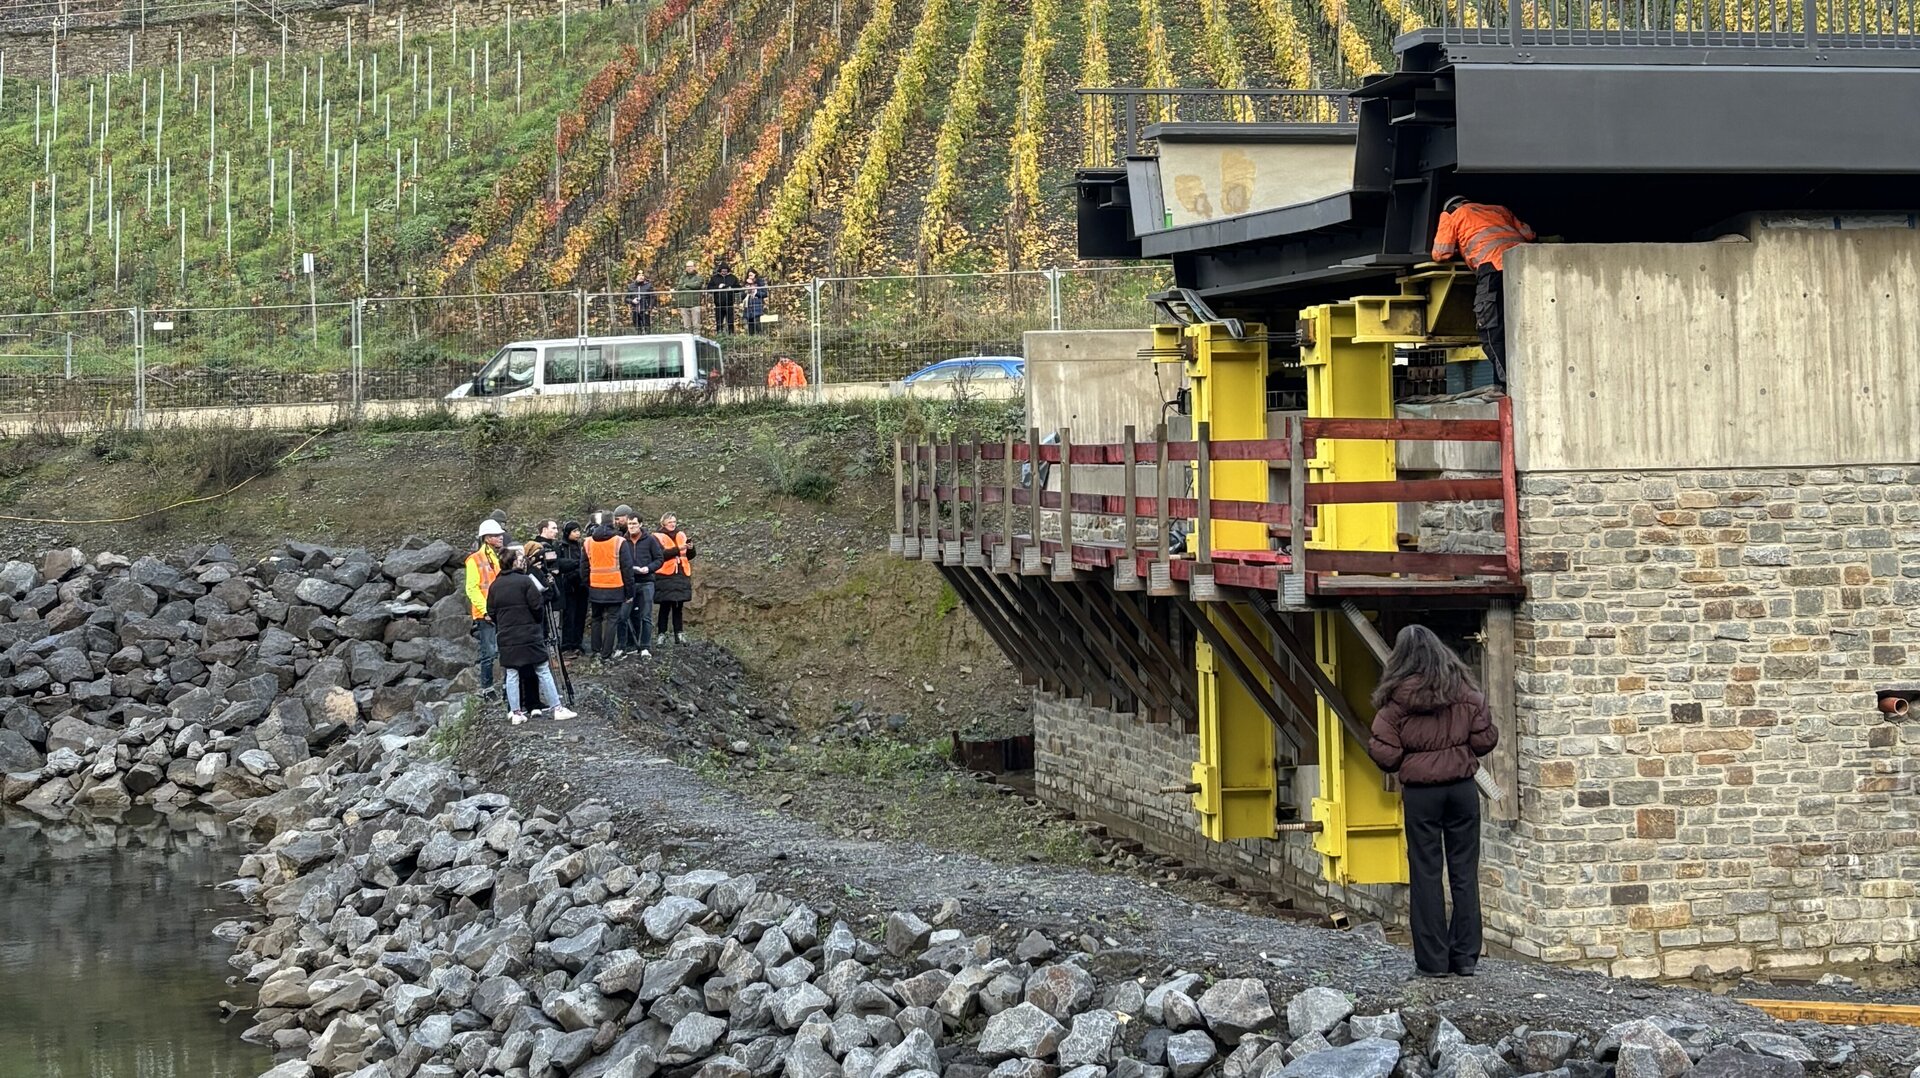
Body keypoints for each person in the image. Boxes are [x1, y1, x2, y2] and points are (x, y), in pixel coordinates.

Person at [1365, 624, 1497, 979]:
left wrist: (1414, 756)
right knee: (1464, 872)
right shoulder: (1466, 693)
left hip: (1422, 794)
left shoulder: (1395, 704)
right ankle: (1466, 957)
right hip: (1462, 790)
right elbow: (1485, 741)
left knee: (1425, 873)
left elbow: (1385, 754)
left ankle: (1433, 961)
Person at [1431, 196, 1534, 391]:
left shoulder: (1452, 213)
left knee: (1490, 329)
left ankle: (1508, 386)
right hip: (1524, 267)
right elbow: (1529, 235)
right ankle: (1510, 382)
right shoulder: (1500, 209)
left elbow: (1441, 253)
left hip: (1492, 268)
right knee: (1521, 328)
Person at [487, 544, 578, 723]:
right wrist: (534, 622)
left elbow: (491, 611)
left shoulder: (495, 585)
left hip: (507, 636)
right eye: (519, 559)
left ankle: (516, 713)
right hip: (530, 633)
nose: (522, 562)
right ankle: (557, 708)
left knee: (512, 673)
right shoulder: (526, 581)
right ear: (514, 563)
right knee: (543, 670)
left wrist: (504, 624)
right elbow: (537, 606)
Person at [581, 510, 637, 668]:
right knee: (612, 620)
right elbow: (627, 569)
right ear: (613, 522)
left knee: (596, 619)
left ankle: (596, 651)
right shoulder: (619, 541)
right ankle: (606, 654)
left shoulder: (588, 542)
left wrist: (588, 585)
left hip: (595, 587)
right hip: (615, 587)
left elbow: (583, 569)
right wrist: (629, 592)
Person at [465, 519, 506, 695]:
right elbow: (471, 588)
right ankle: (487, 688)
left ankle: (506, 685)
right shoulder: (474, 559)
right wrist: (485, 611)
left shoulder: (497, 556)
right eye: (497, 535)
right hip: (486, 613)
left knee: (503, 648)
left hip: (500, 610)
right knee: (489, 652)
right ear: (487, 538)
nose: (501, 537)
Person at [623, 517, 665, 657]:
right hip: (630, 581)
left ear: (640, 524)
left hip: (647, 581)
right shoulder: (623, 541)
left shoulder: (650, 540)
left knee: (645, 615)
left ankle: (645, 646)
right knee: (628, 614)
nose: (632, 526)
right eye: (629, 524)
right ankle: (630, 646)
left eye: (634, 524)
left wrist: (649, 568)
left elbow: (659, 559)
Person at [652, 512, 696, 643]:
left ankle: (679, 634)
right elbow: (660, 554)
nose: (672, 524)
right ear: (663, 523)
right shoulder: (656, 537)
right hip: (665, 576)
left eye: (674, 522)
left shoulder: (681, 535)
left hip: (681, 575)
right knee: (664, 606)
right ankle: (661, 634)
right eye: (670, 522)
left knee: (678, 606)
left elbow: (690, 555)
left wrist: (690, 548)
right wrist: (678, 549)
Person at [556, 520, 589, 655]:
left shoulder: (582, 546)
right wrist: (577, 564)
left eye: (578, 531)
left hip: (581, 585)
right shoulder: (561, 546)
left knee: (581, 615)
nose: (577, 534)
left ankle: (577, 643)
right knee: (569, 616)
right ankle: (567, 643)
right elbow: (560, 563)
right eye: (574, 531)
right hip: (568, 586)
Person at [709, 261, 742, 334]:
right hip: (718, 304)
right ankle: (719, 335)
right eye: (722, 271)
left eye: (725, 271)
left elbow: (739, 288)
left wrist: (731, 288)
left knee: (730, 322)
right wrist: (718, 287)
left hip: (729, 303)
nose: (724, 272)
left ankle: (731, 335)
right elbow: (709, 288)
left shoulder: (733, 278)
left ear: (728, 270)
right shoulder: (714, 278)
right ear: (720, 270)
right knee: (719, 322)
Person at [676, 260, 706, 332]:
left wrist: (686, 285)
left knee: (696, 325)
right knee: (686, 326)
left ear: (694, 267)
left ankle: (696, 340)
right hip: (684, 304)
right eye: (687, 266)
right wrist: (691, 285)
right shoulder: (683, 277)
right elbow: (679, 287)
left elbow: (697, 285)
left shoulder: (699, 277)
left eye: (691, 266)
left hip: (695, 304)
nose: (689, 268)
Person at [741, 269, 768, 335]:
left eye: (751, 275)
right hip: (748, 308)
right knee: (750, 329)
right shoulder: (745, 284)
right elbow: (741, 296)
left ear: (755, 275)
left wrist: (755, 292)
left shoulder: (760, 283)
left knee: (758, 327)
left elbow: (765, 294)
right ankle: (752, 341)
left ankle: (760, 341)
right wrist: (746, 292)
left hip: (757, 308)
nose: (750, 277)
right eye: (749, 275)